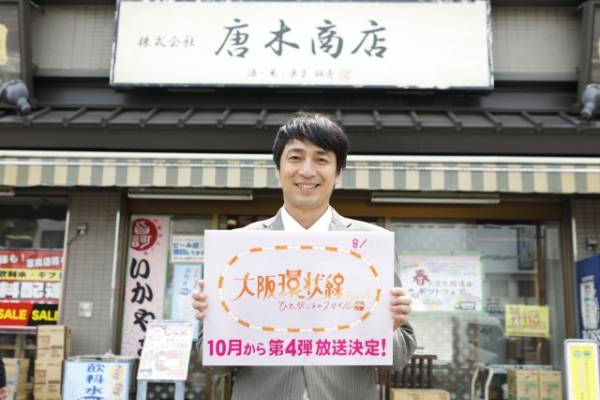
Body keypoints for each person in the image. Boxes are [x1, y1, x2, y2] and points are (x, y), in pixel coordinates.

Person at [192, 113, 416, 400]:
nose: (307, 171)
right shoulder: (237, 249)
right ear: (278, 169)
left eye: (321, 159)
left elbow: (398, 359)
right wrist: (216, 321)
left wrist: (387, 328)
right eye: (295, 158)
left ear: (338, 173)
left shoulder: (371, 245)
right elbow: (213, 363)